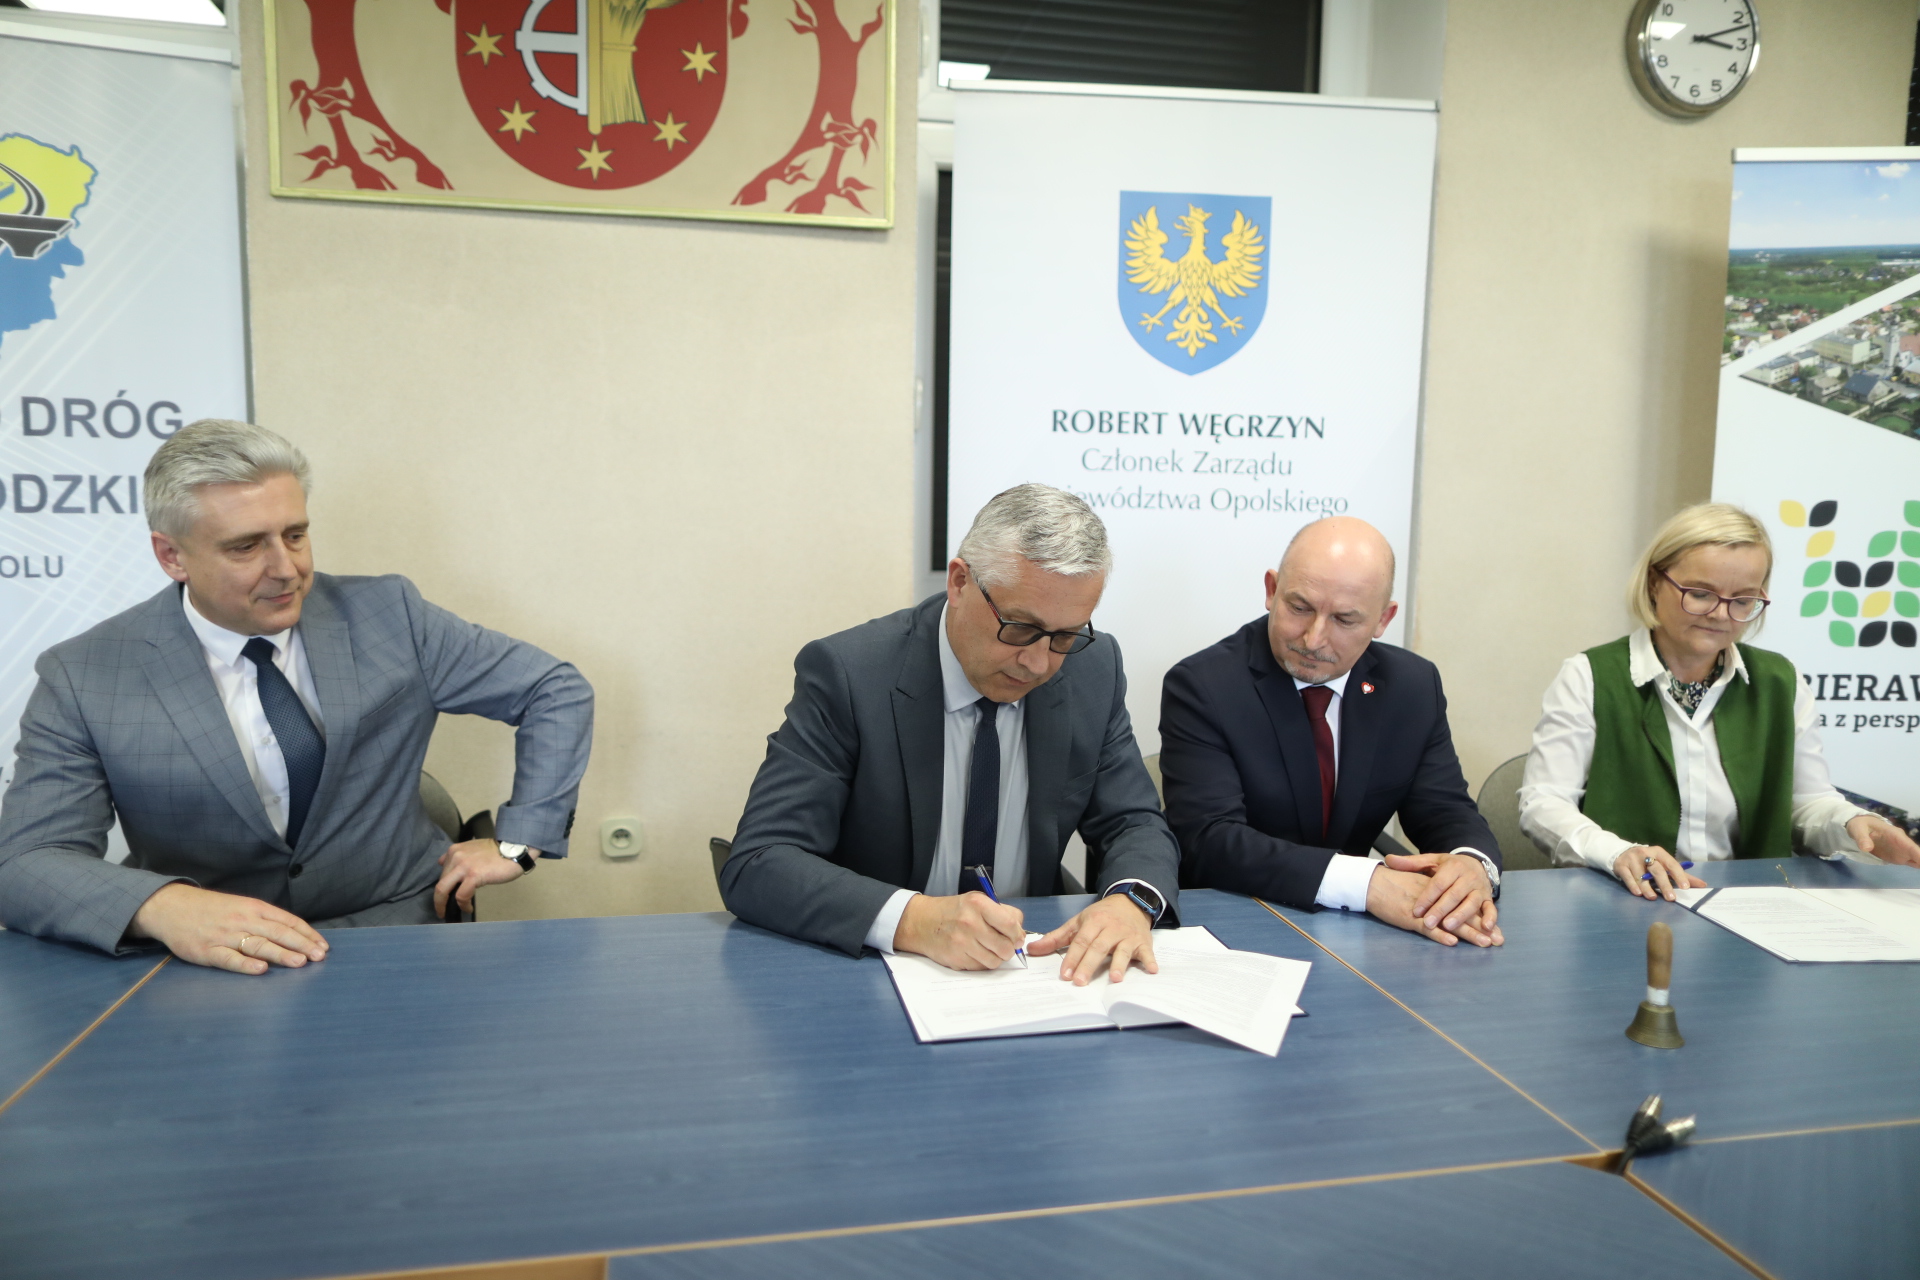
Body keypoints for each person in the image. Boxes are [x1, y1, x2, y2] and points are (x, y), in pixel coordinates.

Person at [0, 419, 594, 972]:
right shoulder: (84, 675)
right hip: (208, 961)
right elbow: (27, 861)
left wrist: (521, 841)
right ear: (171, 556)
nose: (287, 569)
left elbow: (553, 689)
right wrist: (164, 907)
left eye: (295, 535)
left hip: (398, 931)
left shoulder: (391, 614)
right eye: (246, 546)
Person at [722, 483, 1178, 983]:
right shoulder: (851, 674)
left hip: (1030, 971)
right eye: (1020, 628)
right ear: (960, 582)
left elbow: (1133, 821)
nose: (1037, 663)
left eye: (1065, 636)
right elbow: (761, 860)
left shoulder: (1094, 668)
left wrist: (1131, 901)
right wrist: (916, 920)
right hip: (874, 972)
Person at [1520, 502, 1920, 898]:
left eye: (1742, 600)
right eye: (1700, 594)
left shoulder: (1780, 681)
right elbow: (1543, 802)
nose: (1720, 614)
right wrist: (1617, 852)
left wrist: (1851, 822)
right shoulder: (1589, 675)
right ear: (1654, 583)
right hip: (1628, 898)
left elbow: (1805, 802)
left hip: (1750, 902)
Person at [1161, 516, 1503, 947]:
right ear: (1271, 590)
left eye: (1344, 619)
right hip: (1234, 922)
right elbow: (1210, 840)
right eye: (1300, 607)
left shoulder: (1412, 686)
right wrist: (1367, 884)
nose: (1313, 638)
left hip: (1353, 935)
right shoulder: (1204, 686)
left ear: (1383, 620)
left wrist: (1471, 866)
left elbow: (1445, 809)